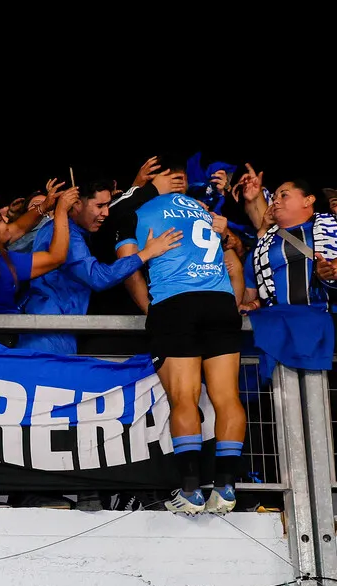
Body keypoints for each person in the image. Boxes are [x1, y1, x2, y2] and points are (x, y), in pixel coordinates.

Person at [111, 169, 248, 515]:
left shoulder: (135, 212)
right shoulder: (203, 209)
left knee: (184, 398)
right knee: (227, 397)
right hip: (219, 301)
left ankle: (190, 490)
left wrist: (149, 308)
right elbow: (233, 259)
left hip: (175, 304)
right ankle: (226, 487)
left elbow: (127, 264)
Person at [19, 179, 180, 355]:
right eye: (100, 205)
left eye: (108, 205)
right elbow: (98, 277)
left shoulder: (72, 230)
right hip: (48, 333)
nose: (106, 213)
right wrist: (146, 253)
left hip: (57, 328)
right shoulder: (65, 234)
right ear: (77, 204)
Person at [0, 184, 77, 319]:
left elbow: (18, 227)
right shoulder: (2, 264)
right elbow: (56, 257)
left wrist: (43, 207)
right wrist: (61, 211)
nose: (6, 221)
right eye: (0, 220)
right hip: (5, 334)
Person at [246, 178, 337, 310]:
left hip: (326, 320)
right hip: (280, 323)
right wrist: (251, 305)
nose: (276, 201)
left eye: (284, 195)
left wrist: (332, 270)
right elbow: (250, 290)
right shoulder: (261, 248)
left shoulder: (330, 227)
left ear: (308, 200)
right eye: (274, 197)